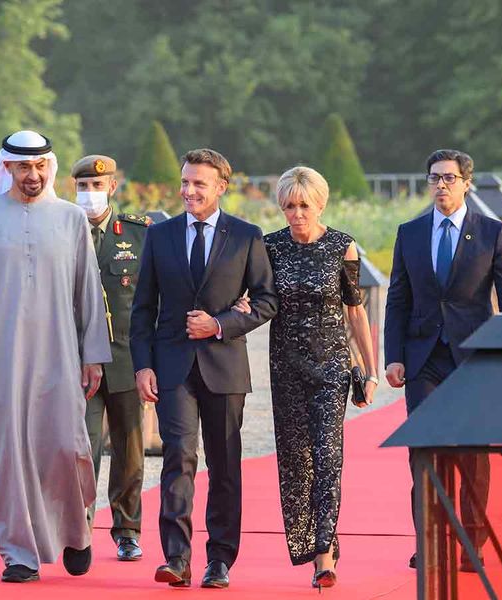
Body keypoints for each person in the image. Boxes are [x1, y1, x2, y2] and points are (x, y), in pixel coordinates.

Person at [0, 130, 111, 583]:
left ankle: (77, 532)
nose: (32, 175)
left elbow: (88, 293)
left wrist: (93, 354)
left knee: (66, 448)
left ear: (49, 168)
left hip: (61, 354)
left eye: (39, 167)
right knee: (10, 457)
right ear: (7, 169)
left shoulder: (71, 219)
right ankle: (19, 553)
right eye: (23, 167)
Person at [130, 148, 278, 589]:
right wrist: (142, 367)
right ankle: (176, 557)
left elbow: (268, 300)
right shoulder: (160, 236)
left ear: (220, 187)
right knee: (178, 456)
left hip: (225, 367)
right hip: (172, 367)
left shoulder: (247, 236)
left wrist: (220, 324)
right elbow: (142, 309)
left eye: (199, 183)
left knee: (225, 464)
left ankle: (220, 560)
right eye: (185, 182)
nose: (189, 190)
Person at [233, 166, 377, 590]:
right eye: (289, 206)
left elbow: (355, 311)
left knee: (328, 457)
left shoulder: (342, 247)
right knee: (296, 462)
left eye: (304, 205)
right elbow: (256, 300)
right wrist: (235, 311)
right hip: (286, 366)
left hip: (332, 365)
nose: (296, 214)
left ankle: (324, 554)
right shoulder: (270, 246)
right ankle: (311, 542)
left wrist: (370, 370)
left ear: (320, 204)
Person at [384, 149, 502, 572]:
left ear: (466, 182)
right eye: (434, 178)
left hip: (474, 360)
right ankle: (428, 540)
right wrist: (394, 357)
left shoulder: (492, 233)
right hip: (422, 360)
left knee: (472, 458)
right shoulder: (409, 233)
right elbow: (397, 300)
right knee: (424, 452)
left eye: (449, 177)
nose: (440, 185)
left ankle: (471, 545)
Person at [71, 154, 148, 562]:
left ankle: (127, 530)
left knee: (129, 450)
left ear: (113, 188)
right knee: (80, 450)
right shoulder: (63, 231)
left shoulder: (138, 235)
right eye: (83, 187)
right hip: (78, 362)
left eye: (97, 187)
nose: (90, 194)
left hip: (127, 360)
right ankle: (78, 530)